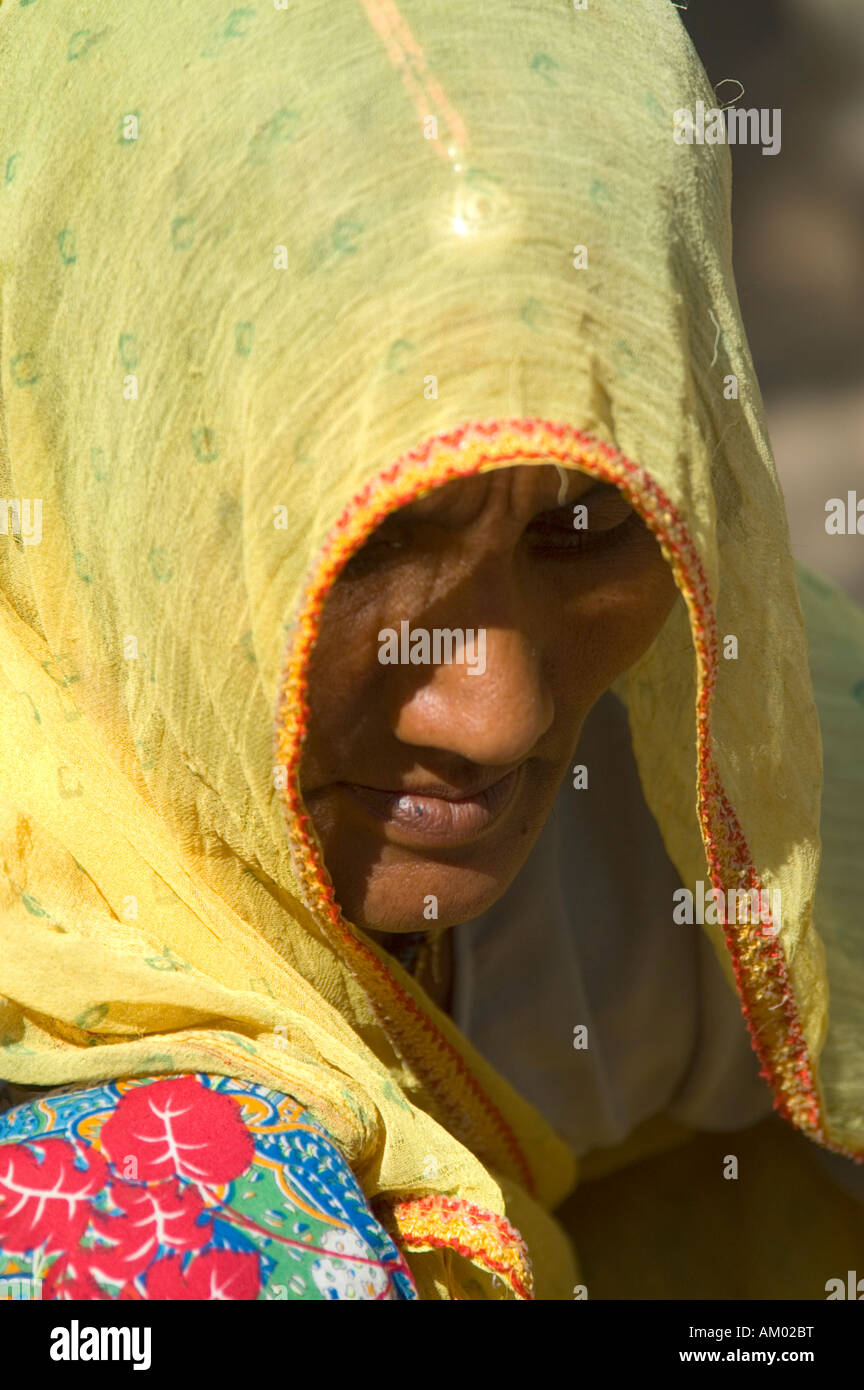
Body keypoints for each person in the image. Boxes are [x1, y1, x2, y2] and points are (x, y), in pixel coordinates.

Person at [0, 0, 862, 1302]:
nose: (498, 715)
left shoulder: (727, 759)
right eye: (371, 542)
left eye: (588, 523)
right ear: (122, 475)